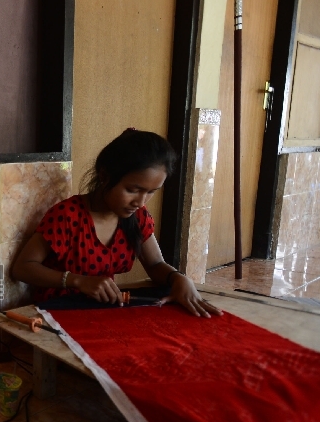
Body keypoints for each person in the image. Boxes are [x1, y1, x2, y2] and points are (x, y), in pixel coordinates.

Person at [12, 128, 222, 318]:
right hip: (59, 312)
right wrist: (77, 280)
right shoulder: (68, 216)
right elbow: (22, 268)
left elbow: (155, 264)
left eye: (150, 192)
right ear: (104, 176)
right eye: (132, 190)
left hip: (103, 310)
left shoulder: (137, 217)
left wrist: (178, 279)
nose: (140, 202)